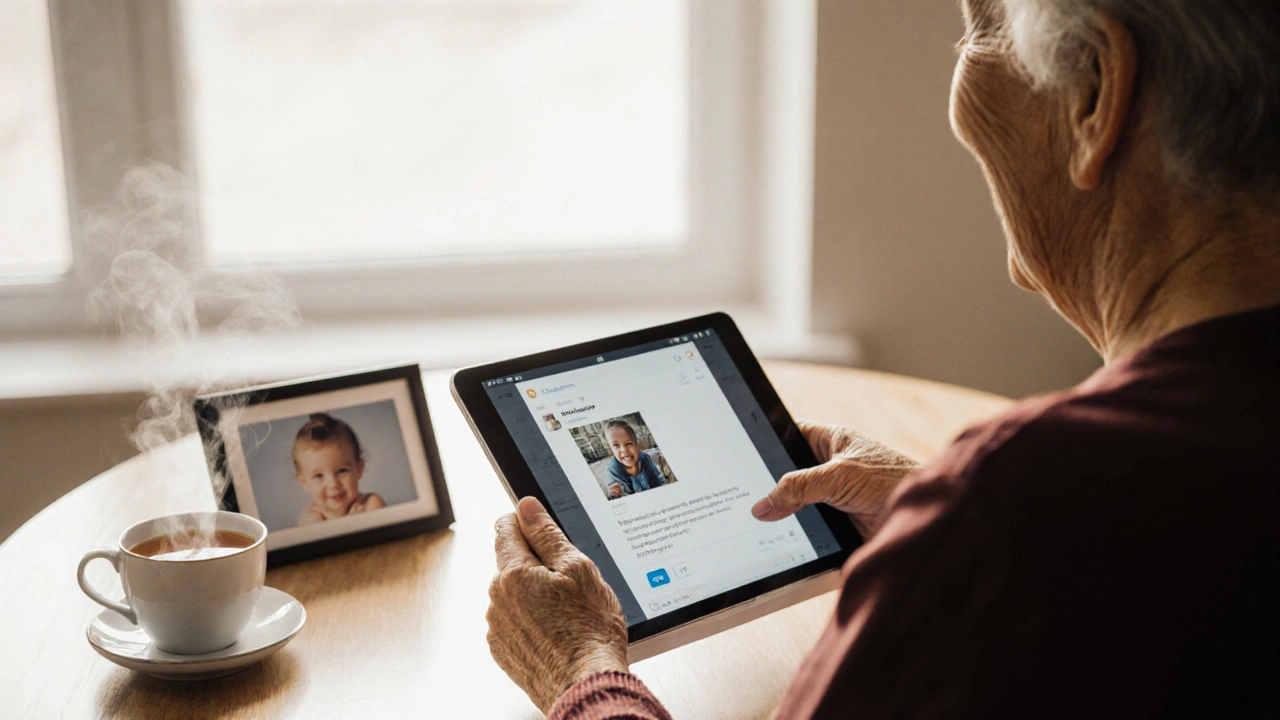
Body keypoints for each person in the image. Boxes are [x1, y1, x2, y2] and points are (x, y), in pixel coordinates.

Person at [486, 0, 1280, 717]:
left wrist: (583, 673)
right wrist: (931, 520)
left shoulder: (1021, 507)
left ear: (1094, 95)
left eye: (976, 24)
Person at [293, 413, 386, 525]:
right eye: (319, 476)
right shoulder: (310, 517)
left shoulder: (371, 504)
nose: (333, 484)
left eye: (342, 471)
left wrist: (356, 524)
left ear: (359, 468)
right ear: (304, 483)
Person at [602, 420, 665, 499]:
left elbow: (659, 480)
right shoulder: (612, 471)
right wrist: (616, 495)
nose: (624, 449)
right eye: (616, 445)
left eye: (628, 443)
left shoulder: (644, 458)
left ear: (636, 444)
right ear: (610, 449)